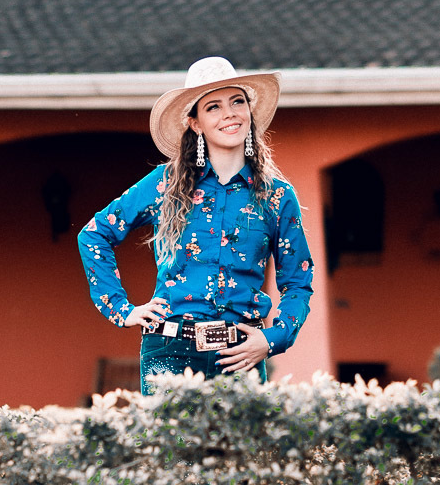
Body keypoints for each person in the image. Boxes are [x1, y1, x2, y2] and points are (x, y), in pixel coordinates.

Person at [78, 56, 314, 393]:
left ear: (249, 111)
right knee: (168, 448)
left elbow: (298, 278)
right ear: (196, 124)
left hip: (240, 355)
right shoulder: (165, 184)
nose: (229, 113)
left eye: (237, 101)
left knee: (239, 449)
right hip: (169, 352)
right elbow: (94, 235)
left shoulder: (277, 196)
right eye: (213, 107)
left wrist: (273, 337)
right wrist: (122, 310)